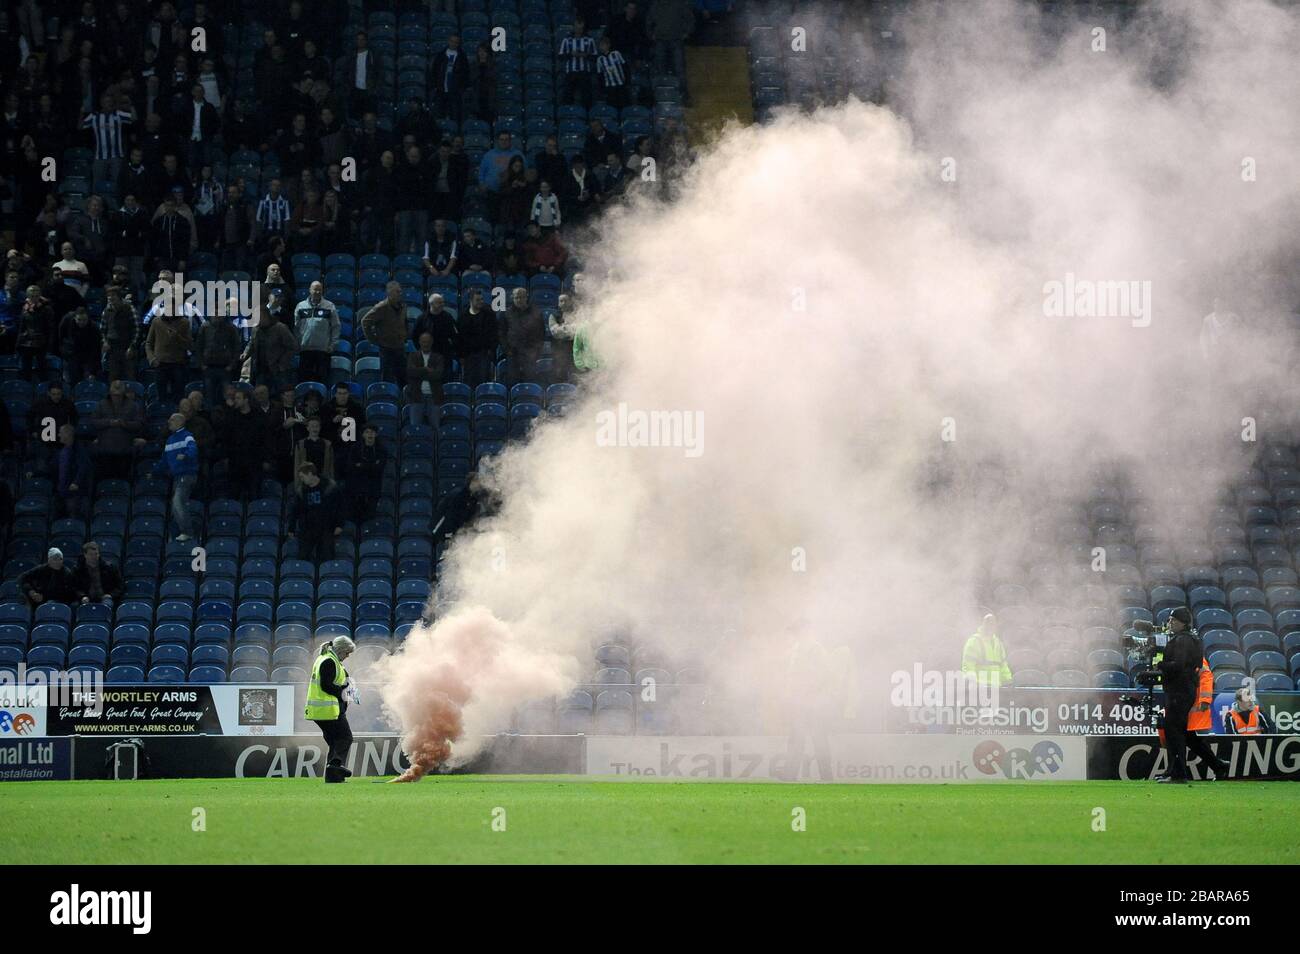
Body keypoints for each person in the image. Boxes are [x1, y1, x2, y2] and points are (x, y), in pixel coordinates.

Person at [1155, 607, 1206, 784]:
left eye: (1172, 620)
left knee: (1174, 732)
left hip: (1179, 690)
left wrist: (1160, 664)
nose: (1169, 623)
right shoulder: (1191, 638)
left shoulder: (1182, 640)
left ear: (1182, 622)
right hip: (1184, 689)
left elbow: (1178, 664)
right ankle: (1173, 771)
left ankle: (1177, 773)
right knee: (1176, 731)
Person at [304, 634, 356, 783]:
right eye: (347, 653)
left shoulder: (328, 659)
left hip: (322, 710)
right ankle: (334, 767)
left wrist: (348, 686)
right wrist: (343, 692)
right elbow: (326, 685)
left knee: (334, 741)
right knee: (345, 738)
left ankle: (333, 775)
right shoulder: (329, 661)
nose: (347, 656)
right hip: (328, 710)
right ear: (340, 650)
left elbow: (339, 678)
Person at [144, 295, 193, 404]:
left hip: (178, 364)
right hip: (160, 364)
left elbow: (189, 345)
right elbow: (148, 343)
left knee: (178, 395)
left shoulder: (184, 322)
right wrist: (152, 359)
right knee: (161, 395)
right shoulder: (156, 322)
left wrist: (177, 336)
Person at [288, 463, 342, 563]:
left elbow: (339, 507)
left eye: (302, 477)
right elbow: (295, 510)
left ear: (310, 474)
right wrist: (291, 527)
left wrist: (339, 524)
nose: (301, 479)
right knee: (303, 557)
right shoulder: (301, 491)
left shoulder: (330, 487)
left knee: (327, 557)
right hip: (308, 529)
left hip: (326, 527)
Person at [158, 412, 199, 541]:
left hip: (187, 474)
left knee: (177, 501)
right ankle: (178, 531)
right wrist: (155, 472)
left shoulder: (187, 436)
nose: (169, 422)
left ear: (180, 422)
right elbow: (164, 460)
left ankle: (188, 532)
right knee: (175, 505)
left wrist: (186, 455)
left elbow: (193, 449)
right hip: (177, 476)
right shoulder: (170, 440)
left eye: (172, 420)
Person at [93, 379, 144, 481]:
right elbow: (94, 422)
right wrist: (109, 422)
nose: (116, 397)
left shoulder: (133, 405)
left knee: (123, 478)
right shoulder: (101, 404)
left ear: (123, 394)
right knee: (105, 478)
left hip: (124, 449)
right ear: (110, 393)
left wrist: (124, 424)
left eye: (119, 395)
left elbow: (139, 424)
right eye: (114, 395)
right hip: (105, 449)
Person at [361, 281, 409, 386]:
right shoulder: (381, 307)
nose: (400, 293)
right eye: (397, 291)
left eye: (400, 291)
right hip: (387, 349)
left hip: (400, 347)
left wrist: (405, 335)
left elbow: (405, 322)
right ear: (389, 293)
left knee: (404, 378)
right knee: (387, 378)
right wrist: (373, 339)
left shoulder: (403, 306)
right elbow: (365, 321)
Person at [293, 281, 340, 384]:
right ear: (310, 290)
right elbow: (296, 327)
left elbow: (336, 327)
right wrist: (297, 343)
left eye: (320, 289)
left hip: (323, 351)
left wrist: (332, 345)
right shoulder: (301, 306)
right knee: (304, 381)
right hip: (305, 350)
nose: (317, 292)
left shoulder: (329, 306)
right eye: (315, 289)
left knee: (323, 382)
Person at [340, 423, 386, 526]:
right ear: (363, 435)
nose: (370, 434)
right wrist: (371, 465)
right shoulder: (355, 448)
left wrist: (361, 465)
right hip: (355, 489)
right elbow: (351, 467)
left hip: (373, 489)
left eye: (372, 432)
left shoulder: (381, 450)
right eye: (367, 432)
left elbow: (379, 468)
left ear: (376, 434)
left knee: (369, 520)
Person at [52, 424, 93, 521]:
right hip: (60, 492)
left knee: (74, 519)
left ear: (67, 434)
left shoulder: (79, 450)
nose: (59, 435)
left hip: (74, 493)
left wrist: (76, 482)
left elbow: (83, 467)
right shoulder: (61, 451)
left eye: (61, 433)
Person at [961, 613, 1012, 688]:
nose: (990, 626)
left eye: (993, 623)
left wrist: (1007, 681)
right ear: (983, 624)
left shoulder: (998, 643)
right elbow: (968, 665)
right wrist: (972, 683)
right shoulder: (974, 641)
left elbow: (1003, 665)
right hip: (980, 687)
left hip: (996, 687)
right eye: (988, 623)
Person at [71, 541, 125, 611]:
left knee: (107, 606)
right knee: (74, 606)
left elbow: (120, 585)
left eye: (96, 554)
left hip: (105, 597)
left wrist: (111, 595)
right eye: (91, 554)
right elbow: (73, 587)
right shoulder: (77, 569)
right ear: (85, 554)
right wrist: (82, 596)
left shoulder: (110, 567)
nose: (94, 557)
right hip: (85, 598)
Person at [406, 332, 445, 428]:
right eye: (423, 342)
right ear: (419, 342)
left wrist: (419, 372)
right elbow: (411, 372)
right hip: (416, 396)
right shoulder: (413, 356)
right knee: (415, 427)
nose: (425, 344)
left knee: (435, 427)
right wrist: (426, 370)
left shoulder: (438, 357)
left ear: (431, 342)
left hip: (434, 396)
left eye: (428, 342)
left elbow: (438, 375)